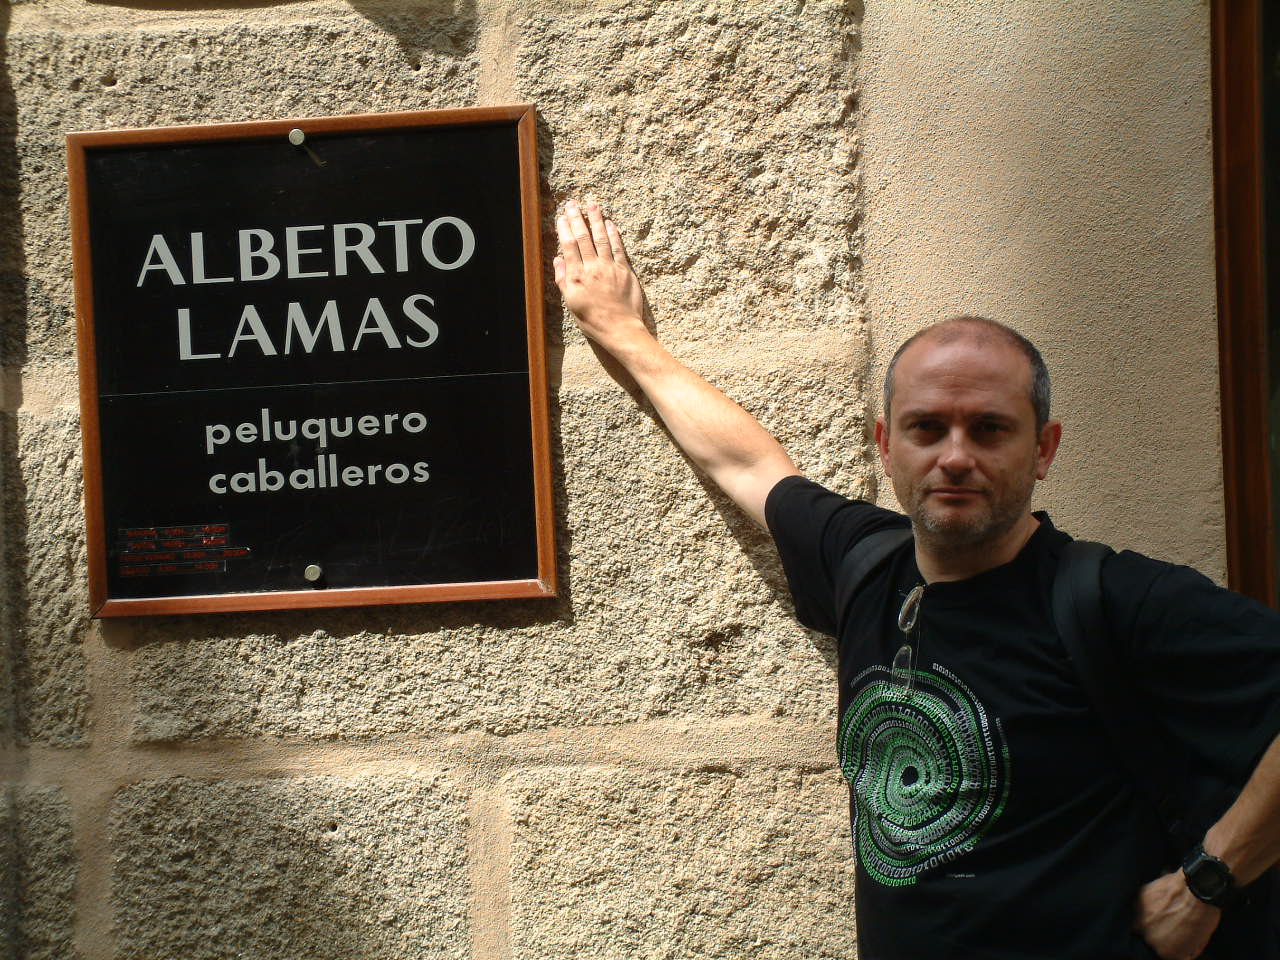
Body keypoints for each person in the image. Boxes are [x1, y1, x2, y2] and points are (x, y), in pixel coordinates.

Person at [553, 197, 1280, 960]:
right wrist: (623, 333)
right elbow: (746, 463)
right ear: (886, 445)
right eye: (927, 428)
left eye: (989, 429)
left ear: (1043, 449)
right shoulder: (863, 563)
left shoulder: (1116, 600)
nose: (955, 456)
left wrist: (1211, 880)